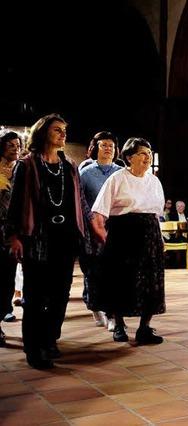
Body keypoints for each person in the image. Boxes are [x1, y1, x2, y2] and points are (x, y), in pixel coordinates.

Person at [7, 114, 89, 369]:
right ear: (43, 133)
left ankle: (50, 339)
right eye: (57, 130)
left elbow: (78, 201)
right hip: (38, 237)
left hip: (64, 237)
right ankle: (34, 348)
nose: (63, 134)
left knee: (59, 294)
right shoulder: (27, 164)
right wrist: (14, 236)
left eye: (64, 130)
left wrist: (84, 230)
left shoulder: (69, 166)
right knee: (35, 295)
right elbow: (16, 204)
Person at [91, 137, 166, 345]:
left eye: (149, 153)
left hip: (149, 234)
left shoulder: (154, 181)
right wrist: (105, 240)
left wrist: (159, 239)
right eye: (143, 153)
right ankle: (120, 325)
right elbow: (98, 214)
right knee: (121, 280)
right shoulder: (117, 179)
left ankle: (144, 328)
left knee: (151, 282)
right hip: (122, 234)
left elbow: (156, 215)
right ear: (129, 157)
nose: (147, 157)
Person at [79, 131, 121, 329]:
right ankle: (95, 306)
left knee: (113, 272)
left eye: (111, 146)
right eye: (103, 145)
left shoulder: (121, 172)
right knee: (93, 271)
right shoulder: (86, 173)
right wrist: (92, 220)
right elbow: (81, 200)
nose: (108, 149)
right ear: (95, 148)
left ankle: (113, 314)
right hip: (92, 229)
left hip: (115, 228)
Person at [0, 130, 22, 345]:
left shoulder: (22, 169)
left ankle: (4, 308)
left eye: (17, 145)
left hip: (12, 231)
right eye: (10, 145)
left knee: (8, 276)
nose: (15, 148)